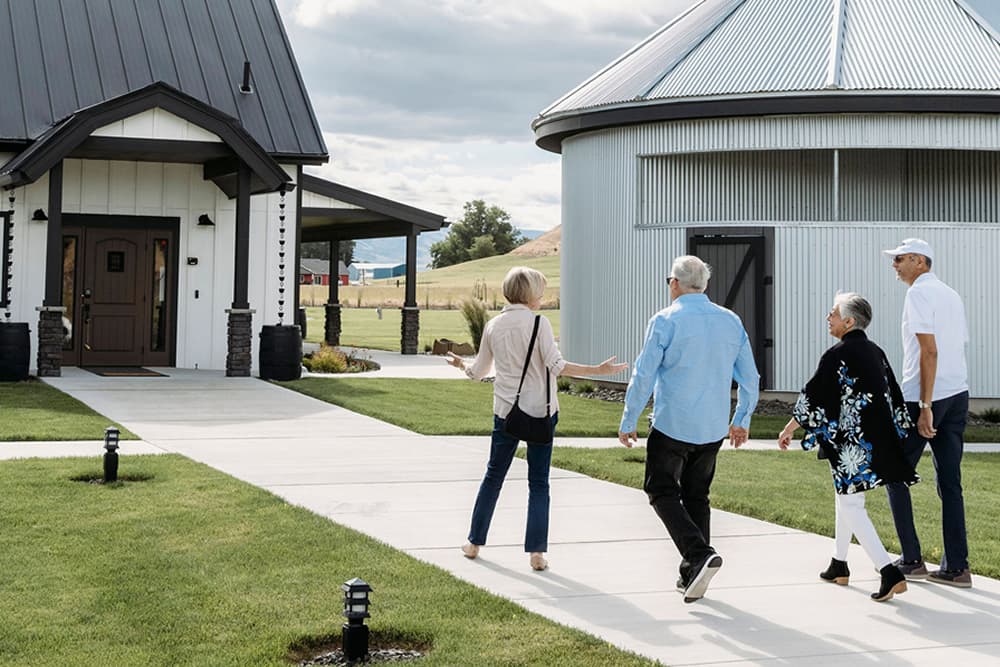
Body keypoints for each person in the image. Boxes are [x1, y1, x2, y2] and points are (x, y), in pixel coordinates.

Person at [446, 266, 627, 571]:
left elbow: (478, 373)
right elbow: (557, 366)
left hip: (505, 413)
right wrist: (598, 370)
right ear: (530, 294)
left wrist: (460, 364)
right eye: (540, 290)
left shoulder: (493, 326)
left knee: (493, 477)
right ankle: (536, 553)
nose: (543, 296)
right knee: (539, 483)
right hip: (542, 413)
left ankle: (474, 542)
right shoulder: (539, 324)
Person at [618, 255, 759, 603]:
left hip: (673, 424)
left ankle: (697, 555)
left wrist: (629, 417)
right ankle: (693, 574)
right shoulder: (730, 321)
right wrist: (741, 419)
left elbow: (644, 373)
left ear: (675, 283)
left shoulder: (666, 320)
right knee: (697, 496)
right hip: (712, 428)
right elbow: (750, 377)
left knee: (660, 490)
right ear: (705, 285)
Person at [778, 293, 919, 602]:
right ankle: (839, 563)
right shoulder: (876, 351)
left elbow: (813, 397)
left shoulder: (836, 355)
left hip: (849, 446)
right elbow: (892, 395)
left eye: (833, 313)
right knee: (846, 499)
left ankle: (888, 572)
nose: (828, 318)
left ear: (849, 321)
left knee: (852, 504)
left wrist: (790, 428)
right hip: (876, 440)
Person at [882, 239, 972, 588]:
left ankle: (911, 559)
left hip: (926, 396)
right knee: (950, 482)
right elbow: (956, 346)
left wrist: (924, 406)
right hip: (958, 391)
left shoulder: (918, 293)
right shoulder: (951, 294)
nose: (895, 265)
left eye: (900, 259)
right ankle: (956, 568)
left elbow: (929, 351)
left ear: (920, 261)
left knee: (895, 473)